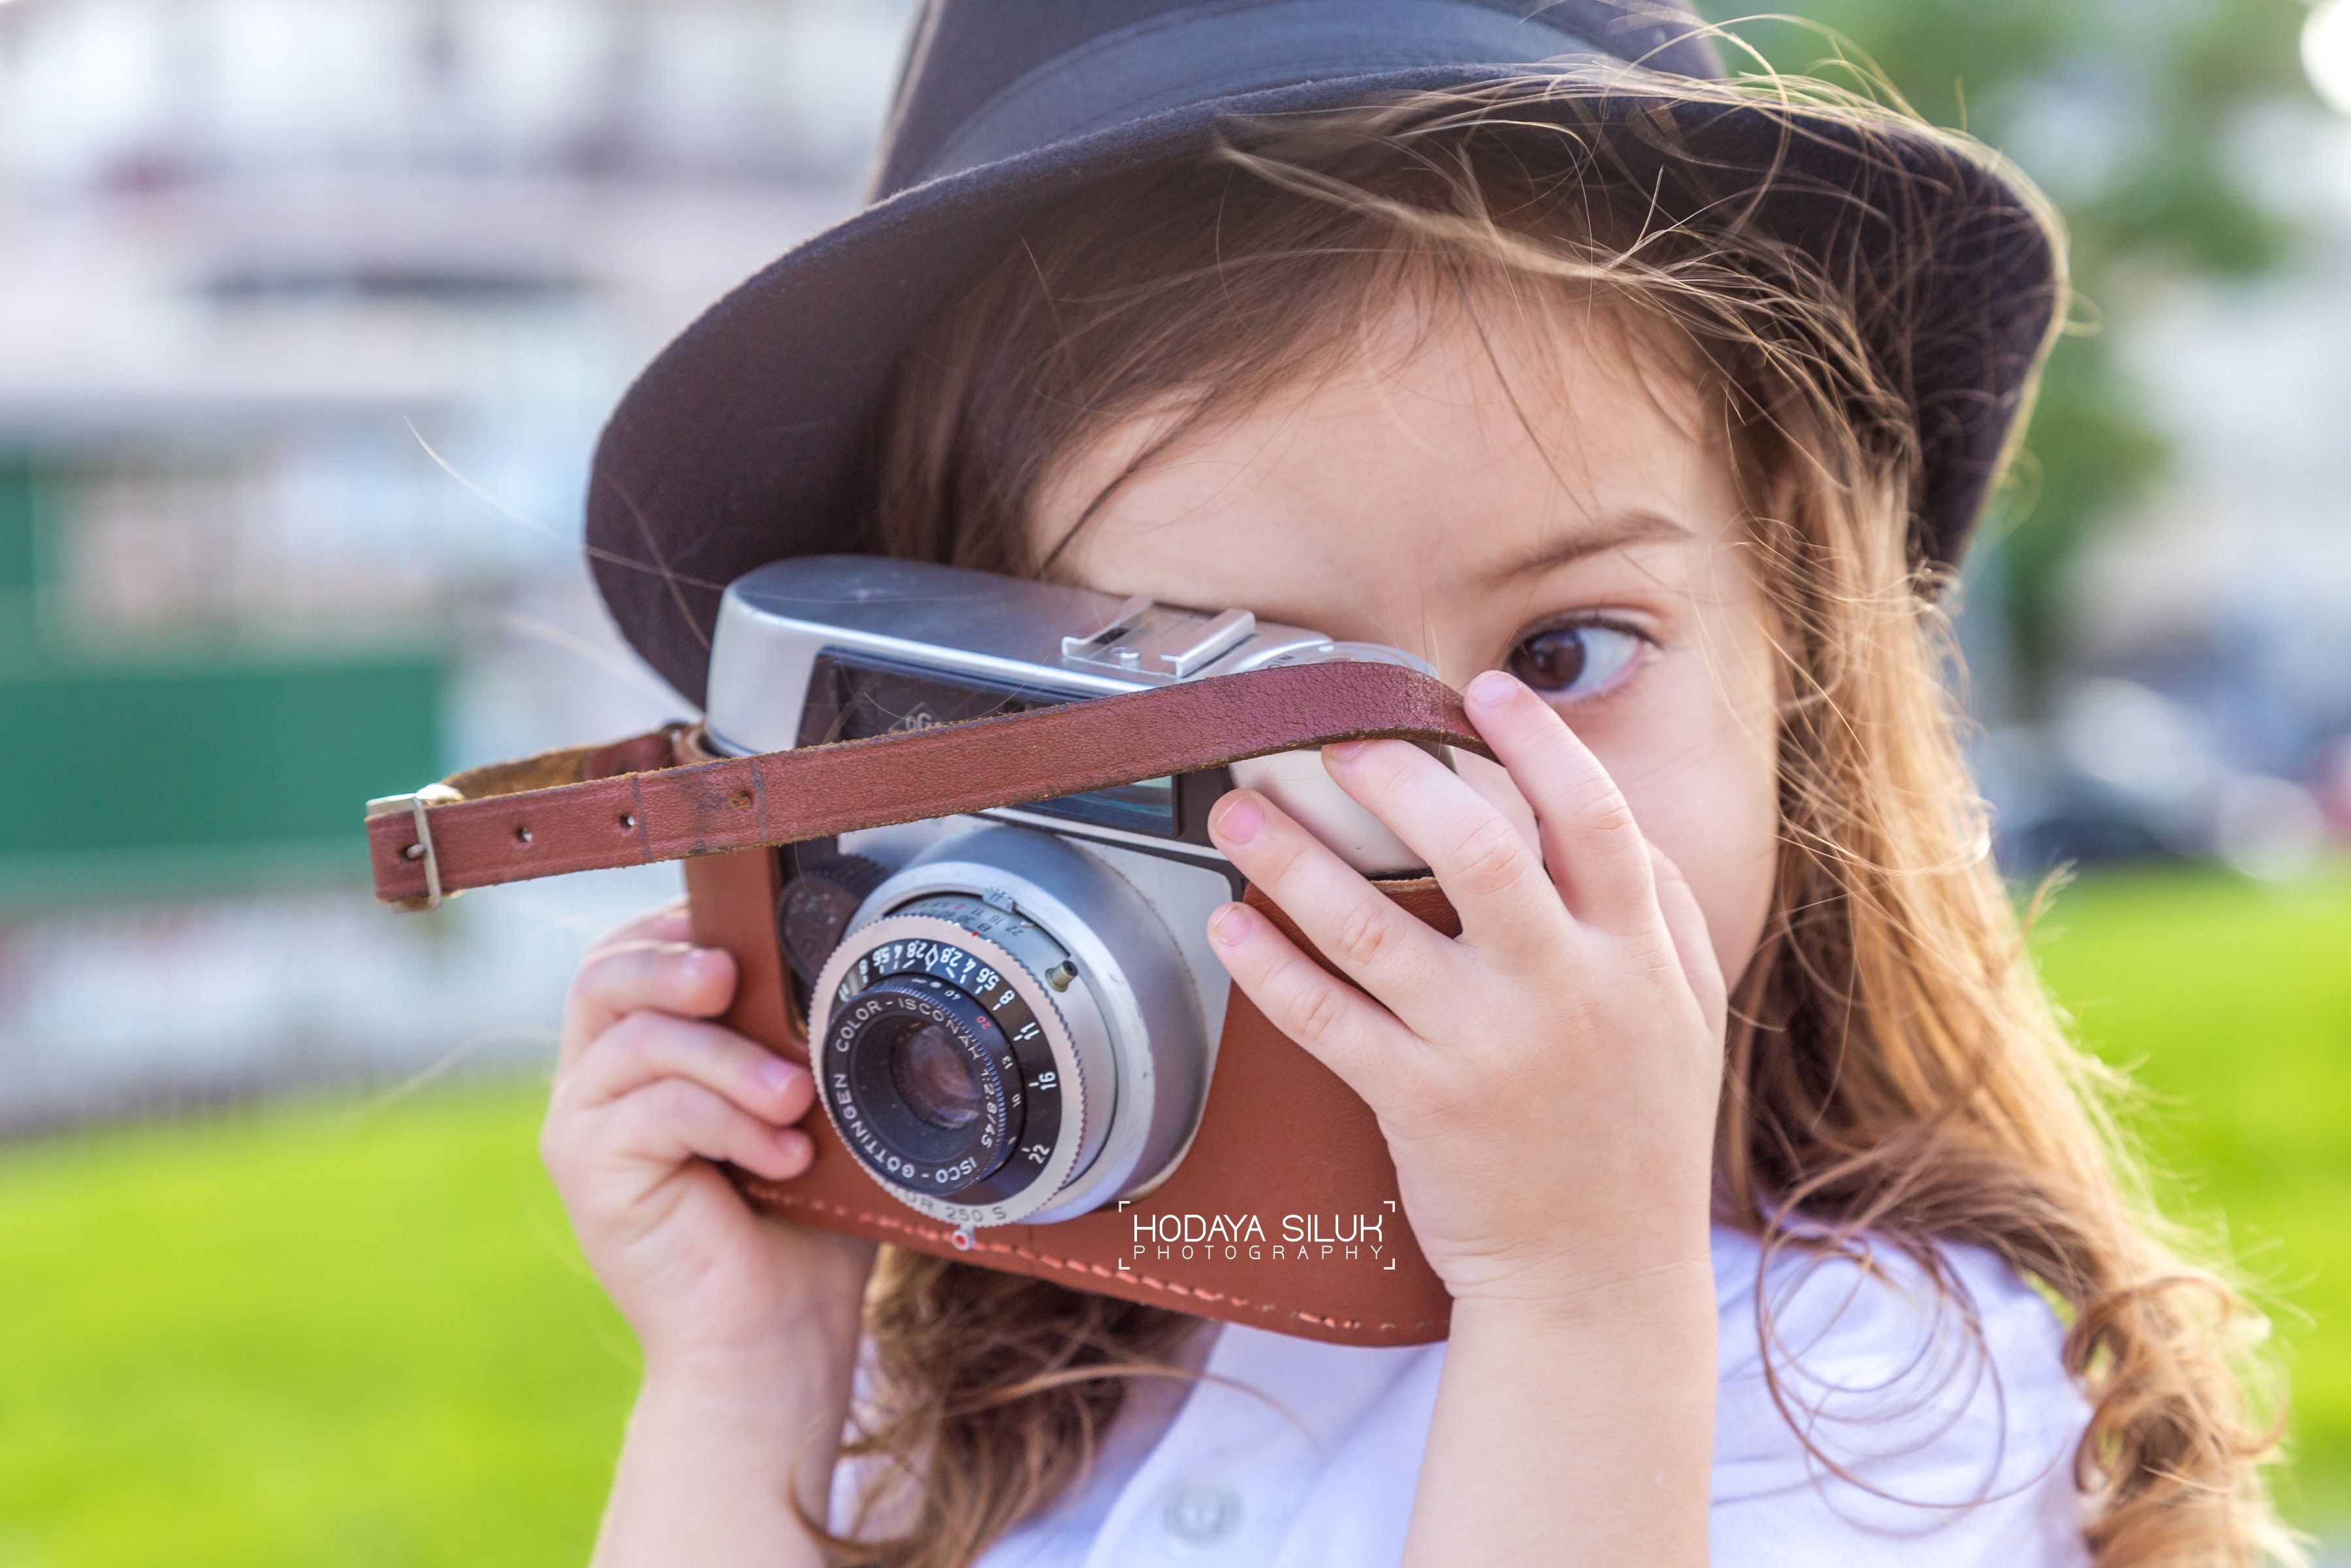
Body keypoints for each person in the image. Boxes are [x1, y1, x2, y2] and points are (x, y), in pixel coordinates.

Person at [536, 4, 2292, 1564]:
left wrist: (1581, 1300)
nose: (1439, 823)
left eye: (1562, 653)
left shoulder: (1870, 1381)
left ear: (1797, 660)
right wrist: (752, 1374)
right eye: (1224, 706)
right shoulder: (968, 1406)